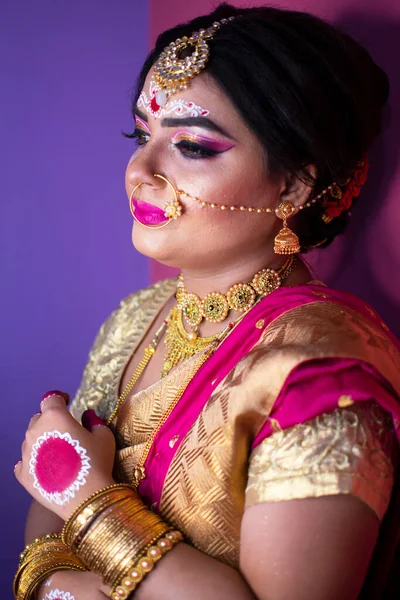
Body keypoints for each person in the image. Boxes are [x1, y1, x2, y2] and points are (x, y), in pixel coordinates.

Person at [13, 4, 400, 600]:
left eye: (191, 146)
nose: (139, 170)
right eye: (141, 135)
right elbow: (40, 554)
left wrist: (88, 500)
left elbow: (63, 503)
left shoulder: (320, 375)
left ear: (294, 183)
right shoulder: (135, 318)